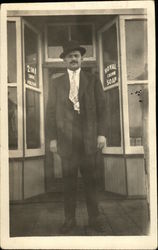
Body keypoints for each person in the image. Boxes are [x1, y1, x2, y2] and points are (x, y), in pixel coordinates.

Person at [47, 40, 106, 234]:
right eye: (70, 56)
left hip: (89, 141)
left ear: (82, 59)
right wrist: (53, 139)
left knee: (91, 182)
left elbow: (102, 109)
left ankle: (95, 219)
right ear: (64, 60)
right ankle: (69, 220)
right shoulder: (56, 83)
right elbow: (50, 112)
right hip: (67, 142)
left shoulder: (93, 80)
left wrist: (101, 134)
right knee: (69, 184)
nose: (73, 59)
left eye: (77, 56)